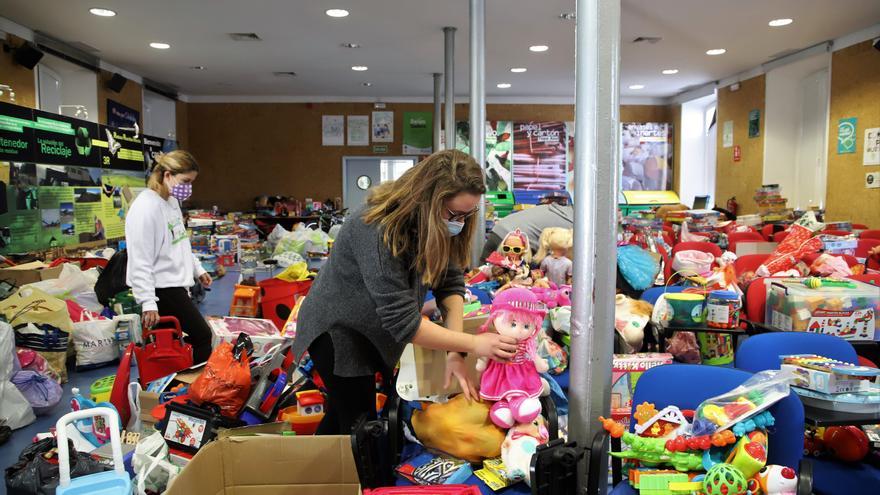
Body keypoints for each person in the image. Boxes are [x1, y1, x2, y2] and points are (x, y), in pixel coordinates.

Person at [293, 149, 518, 435]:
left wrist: (455, 352)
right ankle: (353, 478)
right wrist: (474, 344)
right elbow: (404, 323)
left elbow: (449, 284)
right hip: (337, 332)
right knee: (359, 426)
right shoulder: (375, 226)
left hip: (371, 329)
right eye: (454, 214)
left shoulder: (436, 224)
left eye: (467, 214)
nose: (460, 222)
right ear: (427, 200)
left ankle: (323, 473)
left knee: (345, 415)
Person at [125, 150, 214, 363]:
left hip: (175, 284)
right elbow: (140, 259)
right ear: (167, 175)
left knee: (172, 346)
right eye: (185, 181)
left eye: (191, 182)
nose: (188, 187)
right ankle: (199, 390)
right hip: (161, 289)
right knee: (202, 336)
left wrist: (197, 269)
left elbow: (180, 242)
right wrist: (148, 302)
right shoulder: (146, 208)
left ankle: (175, 387)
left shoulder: (171, 202)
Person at [481, 202, 574, 262]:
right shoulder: (575, 224)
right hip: (513, 240)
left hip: (499, 229)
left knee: (481, 275)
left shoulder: (564, 211)